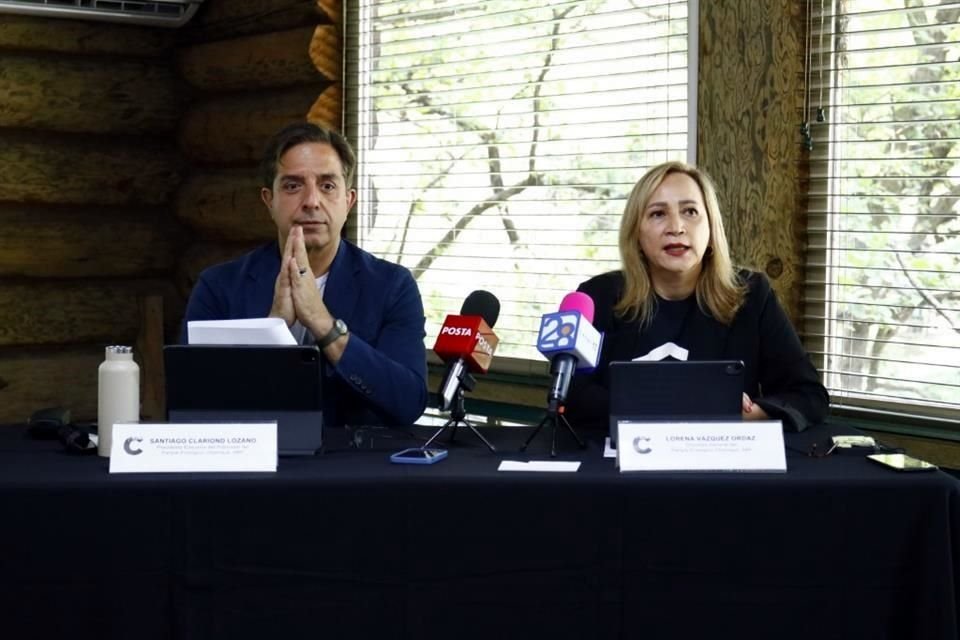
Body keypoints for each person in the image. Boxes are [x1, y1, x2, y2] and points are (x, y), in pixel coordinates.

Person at [181, 123, 428, 427]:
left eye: (327, 186)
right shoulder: (218, 287)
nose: (311, 201)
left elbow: (407, 402)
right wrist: (272, 328)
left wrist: (324, 324)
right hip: (251, 466)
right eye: (293, 186)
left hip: (354, 466)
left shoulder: (392, 286)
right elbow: (191, 402)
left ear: (348, 202)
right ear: (268, 200)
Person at [565, 161, 828, 432]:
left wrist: (752, 414)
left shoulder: (752, 294)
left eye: (690, 211)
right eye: (657, 214)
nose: (676, 227)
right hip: (622, 465)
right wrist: (690, 406)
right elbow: (571, 397)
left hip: (724, 462)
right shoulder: (598, 297)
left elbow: (808, 395)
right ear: (636, 235)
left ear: (711, 229)